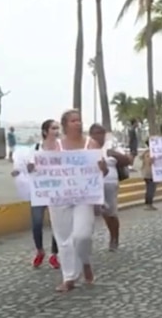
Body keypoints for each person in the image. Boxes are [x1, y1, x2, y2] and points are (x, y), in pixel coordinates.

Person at [35, 109, 108, 293]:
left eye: (79, 120)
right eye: (74, 120)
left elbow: (103, 171)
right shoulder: (55, 145)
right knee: (64, 238)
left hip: (83, 197)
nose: (78, 123)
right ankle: (69, 277)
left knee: (82, 235)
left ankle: (84, 261)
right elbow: (42, 167)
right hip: (60, 198)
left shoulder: (91, 145)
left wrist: (102, 167)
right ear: (65, 125)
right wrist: (32, 167)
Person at [11, 119, 59, 269]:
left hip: (57, 191)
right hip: (38, 191)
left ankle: (54, 255)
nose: (57, 131)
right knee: (37, 223)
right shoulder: (34, 150)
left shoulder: (61, 149)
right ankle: (40, 251)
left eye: (58, 128)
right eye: (54, 128)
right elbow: (24, 167)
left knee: (57, 224)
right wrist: (22, 170)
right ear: (45, 132)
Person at [89, 123, 132, 251]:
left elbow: (126, 160)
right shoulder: (86, 148)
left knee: (110, 213)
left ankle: (114, 238)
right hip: (92, 185)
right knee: (91, 213)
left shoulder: (110, 148)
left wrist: (113, 154)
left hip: (109, 184)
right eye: (96, 133)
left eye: (102, 133)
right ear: (91, 135)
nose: (99, 136)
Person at [140, 140, 157, 211]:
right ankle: (148, 204)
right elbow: (149, 162)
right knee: (150, 189)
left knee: (150, 189)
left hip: (148, 174)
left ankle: (149, 204)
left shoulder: (146, 152)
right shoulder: (149, 153)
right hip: (149, 174)